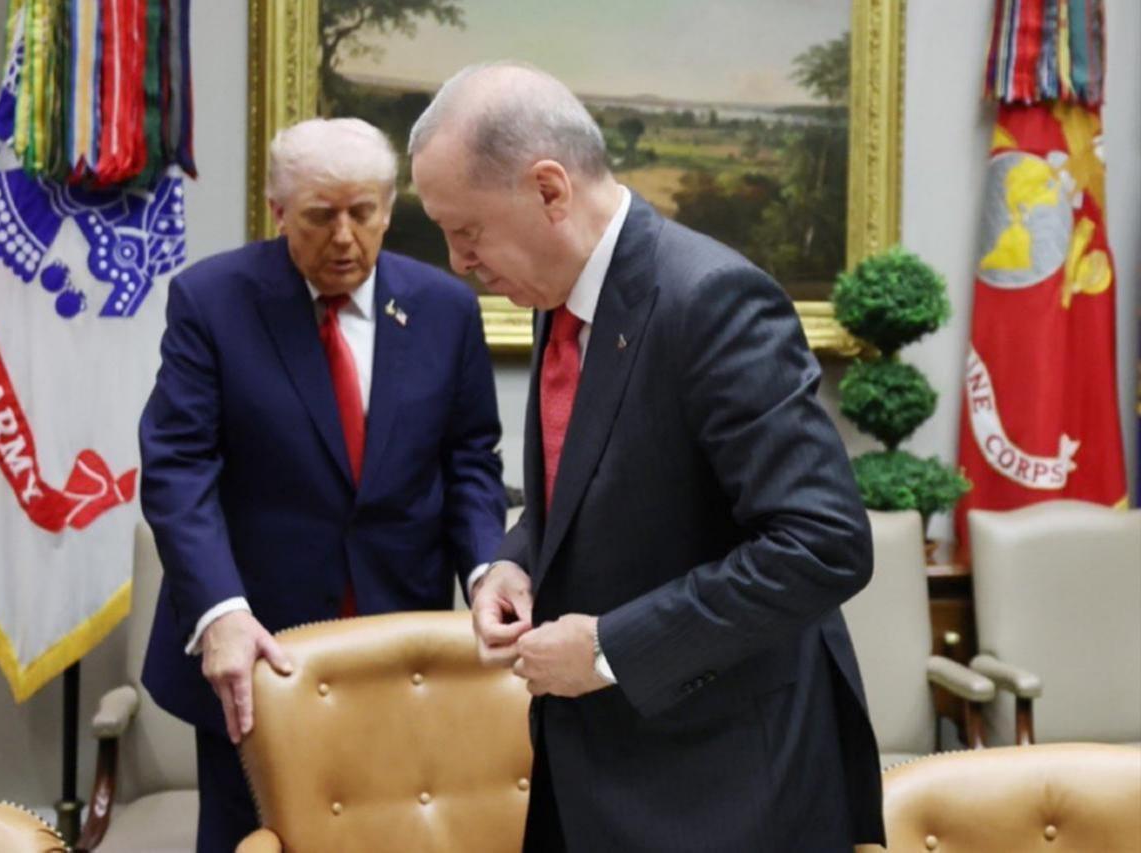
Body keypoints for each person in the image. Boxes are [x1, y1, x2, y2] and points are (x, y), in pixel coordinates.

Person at [409, 63, 884, 852]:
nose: (458, 261)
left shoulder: (712, 301)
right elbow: (594, 475)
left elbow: (824, 542)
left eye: (467, 231)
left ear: (550, 191)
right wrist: (514, 561)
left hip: (727, 786)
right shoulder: (555, 292)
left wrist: (605, 648)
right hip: (596, 769)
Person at [139, 117, 506, 851]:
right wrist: (218, 612)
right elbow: (179, 468)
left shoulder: (445, 308)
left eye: (362, 212)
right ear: (278, 212)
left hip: (395, 652)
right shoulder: (213, 302)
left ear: (388, 207)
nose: (344, 237)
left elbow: (470, 459)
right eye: (319, 215)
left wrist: (489, 566)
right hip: (254, 652)